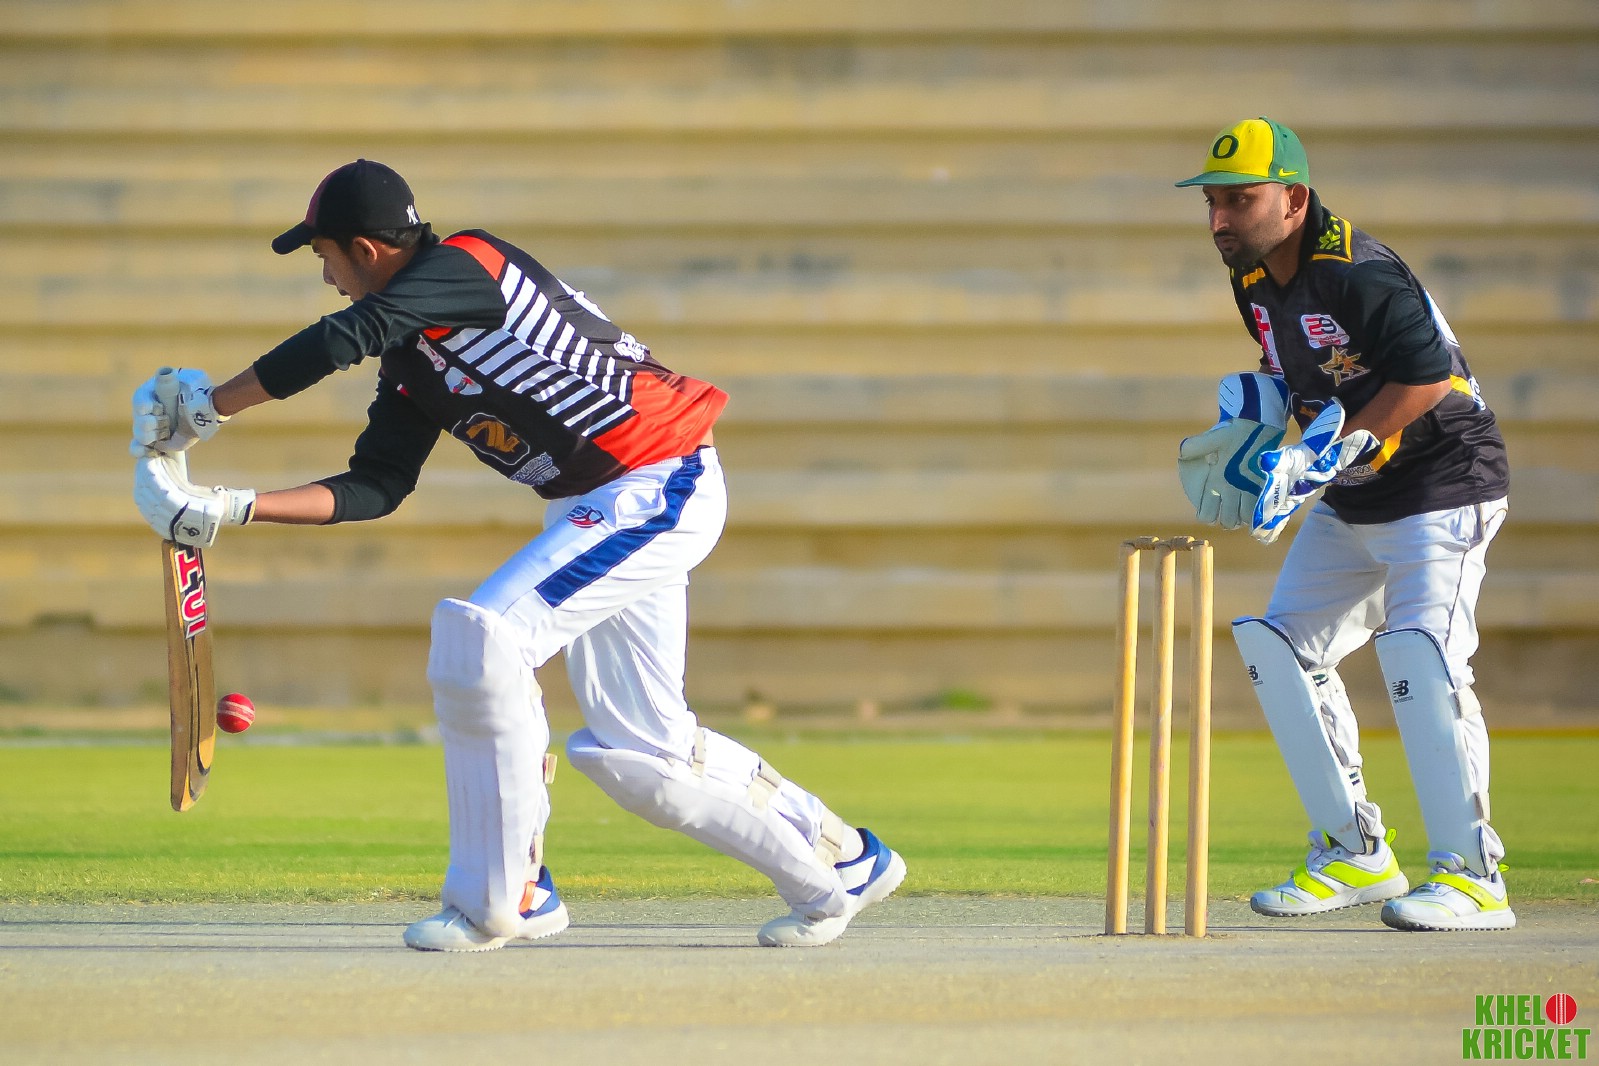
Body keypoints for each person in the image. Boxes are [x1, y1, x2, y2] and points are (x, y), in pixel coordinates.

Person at [130, 159, 906, 951]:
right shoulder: (411, 359)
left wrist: (207, 408)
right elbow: (377, 485)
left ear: (364, 250)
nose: (326, 277)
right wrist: (230, 506)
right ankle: (840, 862)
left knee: (482, 638)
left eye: (325, 257)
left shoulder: (466, 265)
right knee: (643, 756)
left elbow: (341, 338)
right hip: (600, 503)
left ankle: (507, 895)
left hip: (656, 478)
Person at [1173, 119, 1514, 931]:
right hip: (1355, 496)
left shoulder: (1359, 270)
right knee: (1281, 649)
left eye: (1239, 200)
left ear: (1293, 199)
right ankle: (1354, 852)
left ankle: (1472, 878)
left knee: (1423, 654)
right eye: (1212, 202)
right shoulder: (1251, 275)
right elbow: (1294, 368)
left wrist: (1333, 449)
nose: (1219, 218)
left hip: (1443, 482)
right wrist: (1255, 428)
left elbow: (1427, 380)